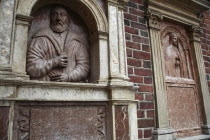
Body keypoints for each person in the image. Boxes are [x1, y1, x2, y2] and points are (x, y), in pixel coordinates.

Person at [26, 6, 90, 82]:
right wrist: (54, 62)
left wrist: (69, 77)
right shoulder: (40, 38)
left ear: (68, 20)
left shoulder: (76, 41)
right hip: (44, 87)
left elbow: (84, 67)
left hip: (72, 89)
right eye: (54, 14)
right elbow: (32, 67)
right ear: (50, 18)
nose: (58, 18)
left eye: (62, 15)